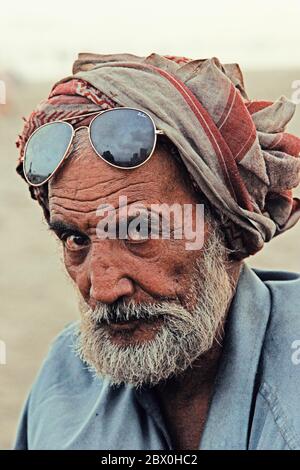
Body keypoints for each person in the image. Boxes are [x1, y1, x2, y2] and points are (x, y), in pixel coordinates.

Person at [14, 53, 300, 450]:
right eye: (76, 240)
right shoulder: (64, 377)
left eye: (140, 231)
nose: (103, 290)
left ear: (225, 228)